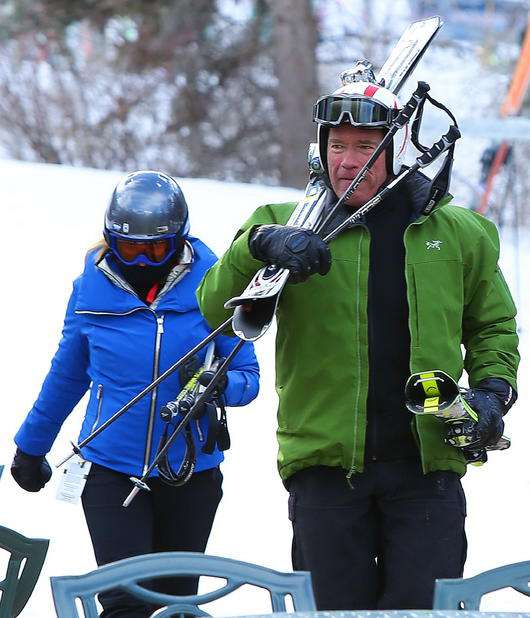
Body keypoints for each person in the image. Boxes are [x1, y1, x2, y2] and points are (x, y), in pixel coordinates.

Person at [196, 71, 519, 610]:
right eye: (337, 146)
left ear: (394, 150)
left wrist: (490, 392)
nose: (348, 160)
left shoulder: (458, 231)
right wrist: (258, 248)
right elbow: (211, 307)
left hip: (425, 467)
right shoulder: (281, 225)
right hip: (325, 469)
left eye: (365, 147)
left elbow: (493, 326)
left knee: (422, 611)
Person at [12, 170, 260, 617]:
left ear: (180, 241)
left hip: (191, 474)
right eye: (131, 248)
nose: (144, 260)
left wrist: (220, 385)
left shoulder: (217, 288)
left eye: (156, 248)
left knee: (176, 604)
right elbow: (67, 376)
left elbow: (248, 375)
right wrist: (30, 448)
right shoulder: (89, 291)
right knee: (126, 602)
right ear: (111, 241)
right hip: (110, 468)